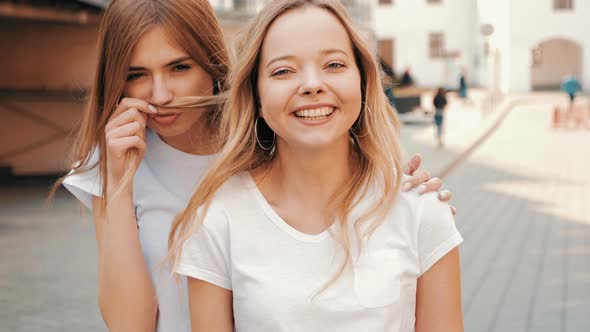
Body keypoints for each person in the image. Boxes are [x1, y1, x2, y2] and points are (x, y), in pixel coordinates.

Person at [51, 0, 454, 331]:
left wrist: (404, 195)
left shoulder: (261, 135)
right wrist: (119, 182)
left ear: (212, 64)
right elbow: (129, 325)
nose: (160, 94)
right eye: (135, 74)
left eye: (180, 67)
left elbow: (332, 136)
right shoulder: (113, 160)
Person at [170, 0, 464, 331]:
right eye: (283, 71)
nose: (312, 84)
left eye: (334, 64)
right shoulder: (217, 219)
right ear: (257, 97)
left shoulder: (421, 211)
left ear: (363, 81)